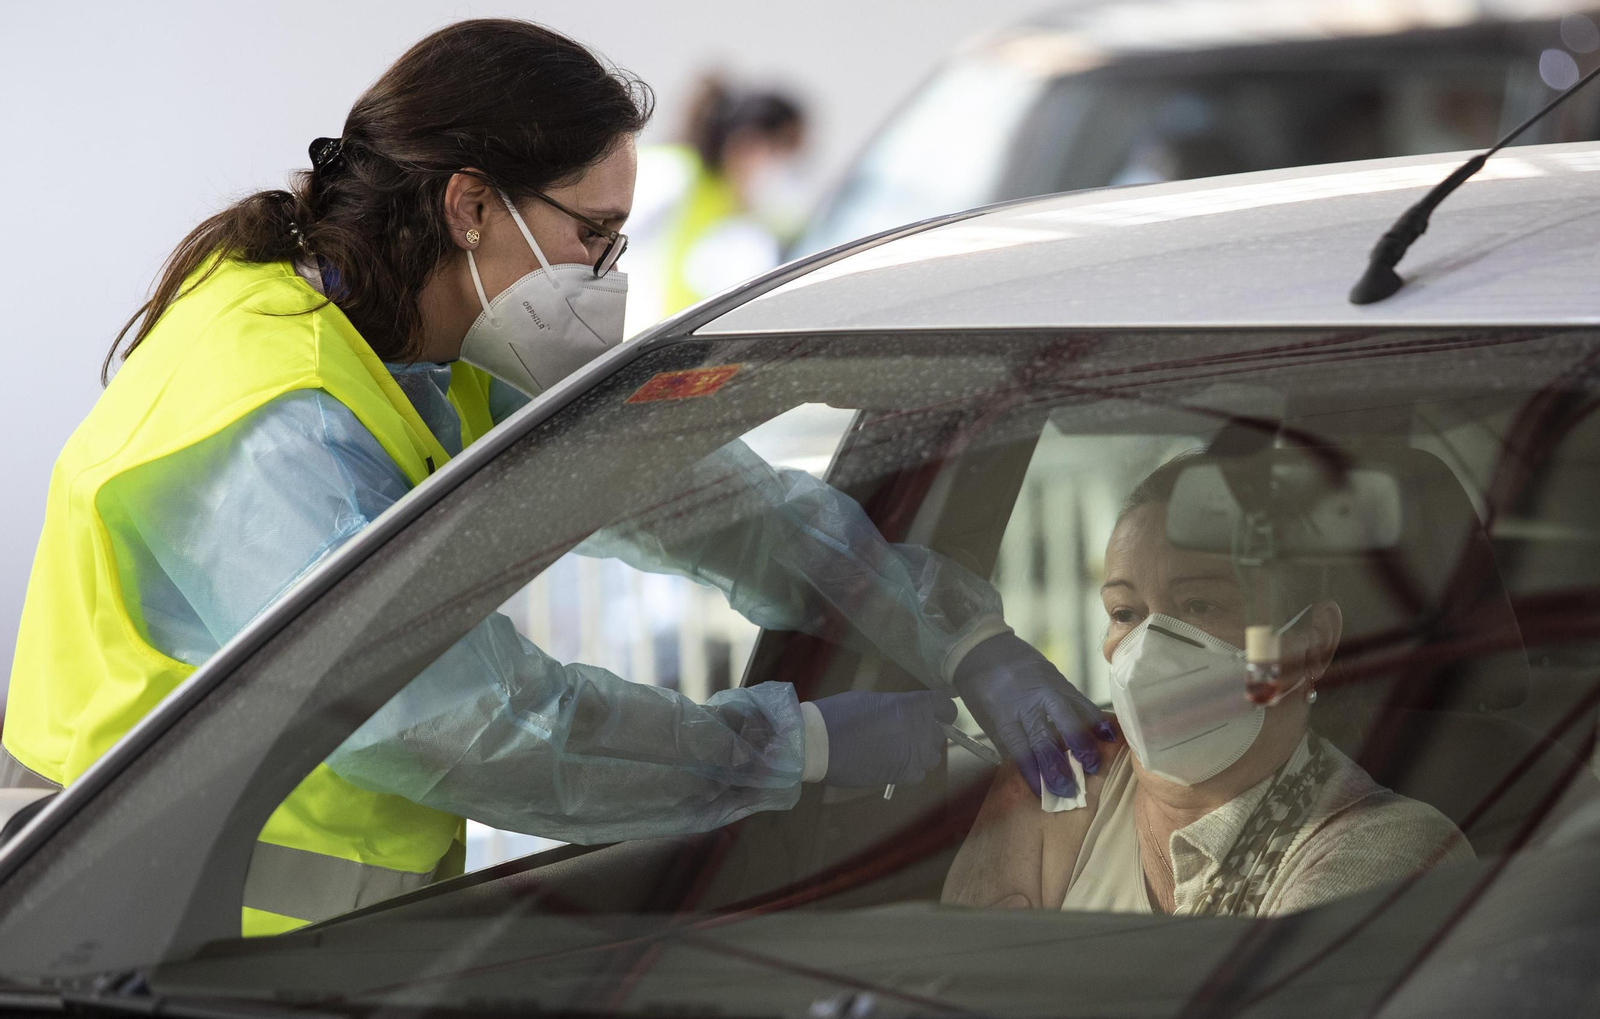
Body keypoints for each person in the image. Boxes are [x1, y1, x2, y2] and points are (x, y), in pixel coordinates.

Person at [2, 20, 1103, 937]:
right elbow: (472, 721)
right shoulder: (273, 418)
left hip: (299, 958)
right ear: (471, 206)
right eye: (595, 235)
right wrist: (793, 747)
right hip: (131, 957)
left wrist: (965, 639)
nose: (603, 278)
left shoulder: (438, 358)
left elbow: (730, 511)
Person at [943, 452, 1473, 917]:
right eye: (1125, 612)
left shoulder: (1390, 848)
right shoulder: (1059, 776)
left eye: (1200, 606)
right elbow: (950, 992)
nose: (1150, 647)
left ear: (1310, 643)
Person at [624, 76, 809, 332]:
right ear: (749, 144)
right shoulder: (672, 175)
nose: (788, 169)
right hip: (636, 344)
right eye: (786, 151)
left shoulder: (748, 210)